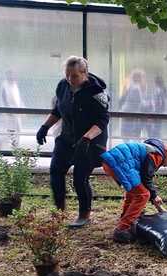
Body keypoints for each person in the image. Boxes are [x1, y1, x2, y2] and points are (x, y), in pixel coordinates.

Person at [35, 56, 110, 228]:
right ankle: (59, 211)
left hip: (90, 142)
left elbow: (102, 120)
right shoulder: (63, 86)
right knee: (55, 171)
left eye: (74, 76)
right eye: (67, 74)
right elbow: (58, 110)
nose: (70, 79)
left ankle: (84, 214)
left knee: (79, 178)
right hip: (67, 138)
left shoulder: (96, 92)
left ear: (85, 74)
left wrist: (87, 138)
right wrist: (45, 127)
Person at [100, 139, 167, 243]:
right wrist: (154, 196)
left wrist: (155, 199)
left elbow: (144, 178)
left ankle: (125, 216)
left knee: (134, 192)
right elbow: (146, 178)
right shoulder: (157, 155)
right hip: (119, 163)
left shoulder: (154, 148)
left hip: (112, 162)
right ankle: (122, 229)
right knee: (143, 195)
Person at [120, 69, 147, 141]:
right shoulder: (136, 88)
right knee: (130, 133)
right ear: (138, 78)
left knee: (128, 133)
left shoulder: (133, 87)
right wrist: (149, 104)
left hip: (129, 112)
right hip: (130, 112)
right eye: (142, 77)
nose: (143, 79)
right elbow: (138, 102)